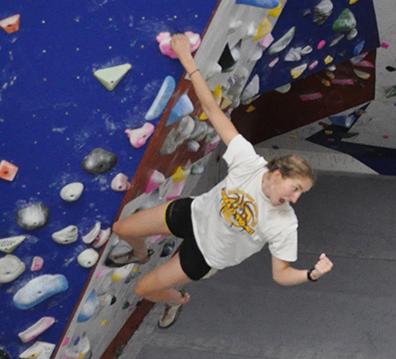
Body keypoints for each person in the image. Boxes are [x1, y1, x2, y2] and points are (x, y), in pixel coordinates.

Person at [111, 34, 333, 328]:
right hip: (194, 213)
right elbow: (214, 112)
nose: (296, 199)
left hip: (206, 254)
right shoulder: (248, 161)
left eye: (301, 193)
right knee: (122, 229)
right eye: (296, 189)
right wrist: (187, 60)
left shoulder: (284, 223)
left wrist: (311, 274)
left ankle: (178, 301)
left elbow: (280, 274)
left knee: (144, 289)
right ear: (277, 174)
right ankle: (140, 254)